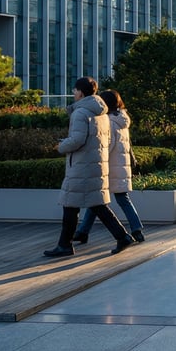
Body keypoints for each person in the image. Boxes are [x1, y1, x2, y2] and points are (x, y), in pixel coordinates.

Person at [43, 77, 135, 257]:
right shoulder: (101, 113)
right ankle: (122, 236)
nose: (73, 93)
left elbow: (77, 140)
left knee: (71, 204)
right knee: (96, 204)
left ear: (81, 92)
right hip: (96, 164)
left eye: (75, 90)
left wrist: (61, 146)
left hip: (81, 165)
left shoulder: (80, 113)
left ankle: (65, 245)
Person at [72, 89, 145, 245]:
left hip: (109, 167)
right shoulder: (122, 119)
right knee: (116, 200)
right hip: (120, 167)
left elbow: (108, 145)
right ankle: (136, 229)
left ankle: (83, 232)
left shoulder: (110, 121)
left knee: (98, 200)